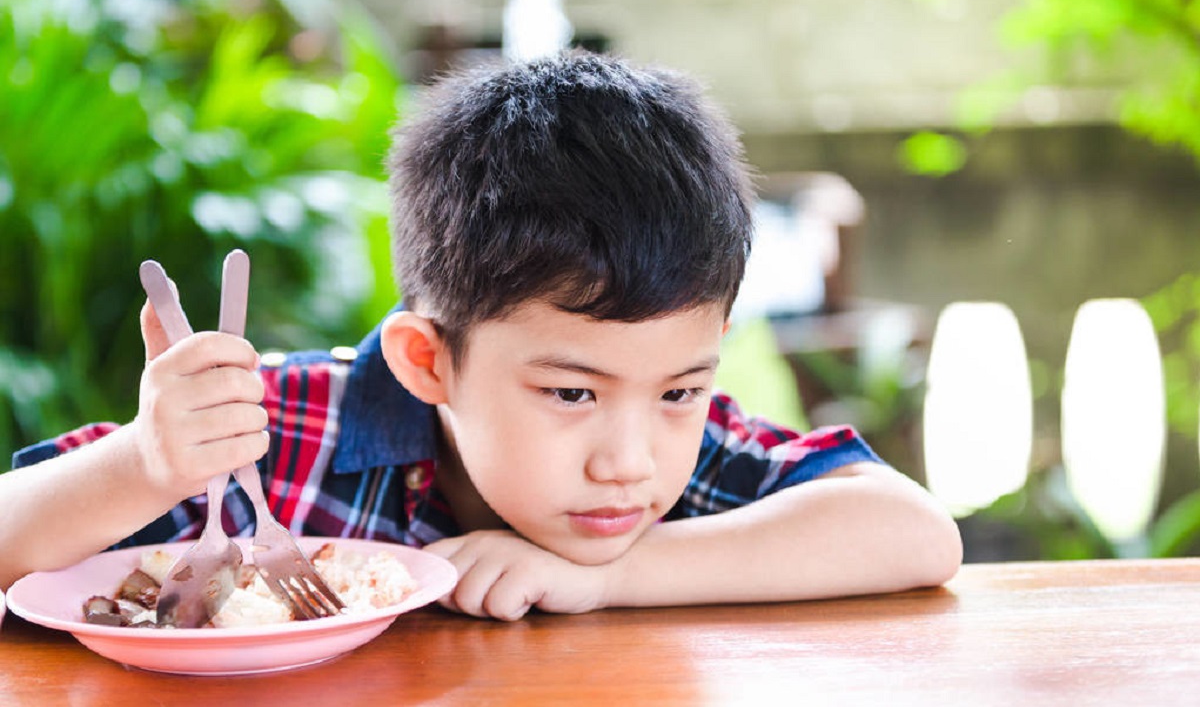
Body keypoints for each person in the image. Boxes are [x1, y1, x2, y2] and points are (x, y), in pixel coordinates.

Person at [2, 51, 961, 619]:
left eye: (680, 389)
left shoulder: (676, 449)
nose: (630, 462)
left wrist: (611, 578)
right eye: (573, 394)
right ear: (427, 360)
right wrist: (145, 465)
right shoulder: (280, 435)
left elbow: (915, 535)